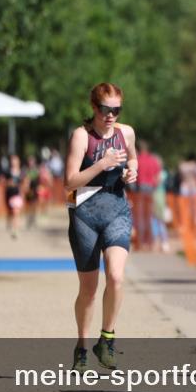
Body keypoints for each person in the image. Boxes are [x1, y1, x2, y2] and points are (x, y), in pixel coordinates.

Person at [65, 82, 138, 372]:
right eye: (106, 109)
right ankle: (82, 345)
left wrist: (133, 169)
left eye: (116, 110)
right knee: (89, 290)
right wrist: (103, 163)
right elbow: (69, 181)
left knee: (117, 277)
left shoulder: (126, 133)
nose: (111, 115)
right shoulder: (82, 136)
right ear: (94, 108)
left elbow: (132, 156)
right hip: (85, 214)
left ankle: (106, 339)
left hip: (117, 210)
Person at [135, 140, 161, 250]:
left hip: (140, 189)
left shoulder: (137, 160)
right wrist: (154, 187)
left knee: (139, 217)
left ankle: (140, 243)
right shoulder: (153, 160)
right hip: (150, 190)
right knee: (149, 217)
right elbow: (158, 177)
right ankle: (151, 243)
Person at [1, 154, 26, 239]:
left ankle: (15, 230)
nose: (13, 162)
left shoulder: (21, 172)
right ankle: (10, 223)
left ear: (18, 162)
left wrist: (23, 192)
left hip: (17, 195)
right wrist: (9, 183)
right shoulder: (7, 172)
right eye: (12, 161)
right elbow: (3, 182)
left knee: (16, 212)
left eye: (15, 160)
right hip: (9, 195)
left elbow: (24, 183)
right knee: (10, 212)